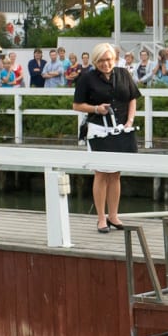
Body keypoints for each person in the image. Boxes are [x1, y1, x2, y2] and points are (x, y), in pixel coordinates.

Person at [72, 43, 140, 231]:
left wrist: (130, 120)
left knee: (115, 173)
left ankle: (114, 216)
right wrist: (96, 108)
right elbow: (77, 105)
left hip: (120, 128)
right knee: (101, 173)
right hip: (98, 129)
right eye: (101, 60)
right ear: (95, 61)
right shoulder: (87, 78)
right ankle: (101, 218)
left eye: (108, 59)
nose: (105, 63)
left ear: (114, 59)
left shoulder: (123, 74)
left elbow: (132, 97)